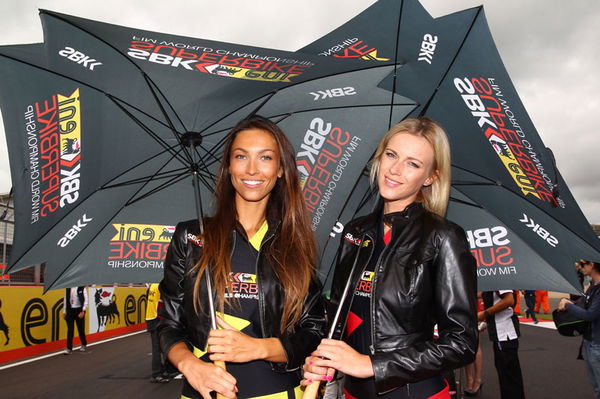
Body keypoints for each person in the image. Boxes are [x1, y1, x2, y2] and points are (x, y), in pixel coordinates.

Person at [302, 117, 478, 398]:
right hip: (353, 393)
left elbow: (461, 343)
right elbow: (338, 317)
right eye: (391, 154)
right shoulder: (355, 231)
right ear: (379, 156)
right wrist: (323, 359)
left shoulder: (443, 236)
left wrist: (371, 365)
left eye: (413, 163)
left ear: (431, 176)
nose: (395, 169)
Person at [158, 115, 325, 399]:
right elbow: (169, 324)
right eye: (241, 156)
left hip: (279, 393)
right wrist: (190, 365)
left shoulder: (294, 244)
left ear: (281, 169)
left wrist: (260, 348)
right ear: (228, 166)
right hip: (203, 392)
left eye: (265, 158)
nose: (251, 169)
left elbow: (313, 330)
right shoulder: (191, 237)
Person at [559, 260, 600, 398]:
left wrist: (568, 305)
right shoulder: (592, 286)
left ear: (592, 265)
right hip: (588, 342)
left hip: (597, 345)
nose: (580, 267)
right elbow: (584, 303)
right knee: (596, 387)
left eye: (582, 264)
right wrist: (571, 303)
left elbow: (590, 315)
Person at [480, 290, 525, 399]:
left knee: (509, 377)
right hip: (501, 333)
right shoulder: (493, 281)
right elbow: (486, 295)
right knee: (506, 375)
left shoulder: (498, 274)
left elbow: (509, 300)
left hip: (504, 333)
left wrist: (484, 313)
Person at [146, 283, 171, 383]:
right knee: (158, 348)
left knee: (159, 347)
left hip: (151, 318)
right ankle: (156, 373)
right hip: (156, 319)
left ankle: (162, 369)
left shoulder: (153, 285)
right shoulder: (161, 285)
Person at [464, 292, 485, 396]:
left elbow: (482, 293)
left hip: (475, 308)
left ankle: (477, 379)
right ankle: (469, 379)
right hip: (464, 305)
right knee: (466, 345)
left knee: (476, 345)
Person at [63, 286, 88, 354]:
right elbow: (65, 300)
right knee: (70, 330)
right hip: (70, 311)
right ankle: (69, 348)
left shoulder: (82, 288)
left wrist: (83, 311)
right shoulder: (68, 288)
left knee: (81, 329)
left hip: (79, 310)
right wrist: (64, 312)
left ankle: (83, 343)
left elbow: (86, 300)